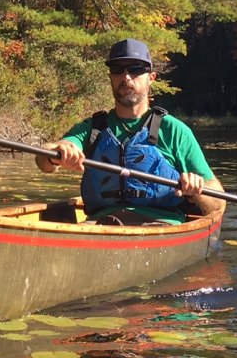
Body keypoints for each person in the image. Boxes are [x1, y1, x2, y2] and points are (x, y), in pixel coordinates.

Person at [35, 38, 226, 225]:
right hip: (102, 223)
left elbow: (218, 204)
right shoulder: (93, 127)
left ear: (151, 78)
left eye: (135, 69)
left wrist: (198, 189)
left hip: (160, 223)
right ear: (111, 77)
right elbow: (44, 161)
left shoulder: (174, 130)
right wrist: (58, 152)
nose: (126, 77)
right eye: (117, 69)